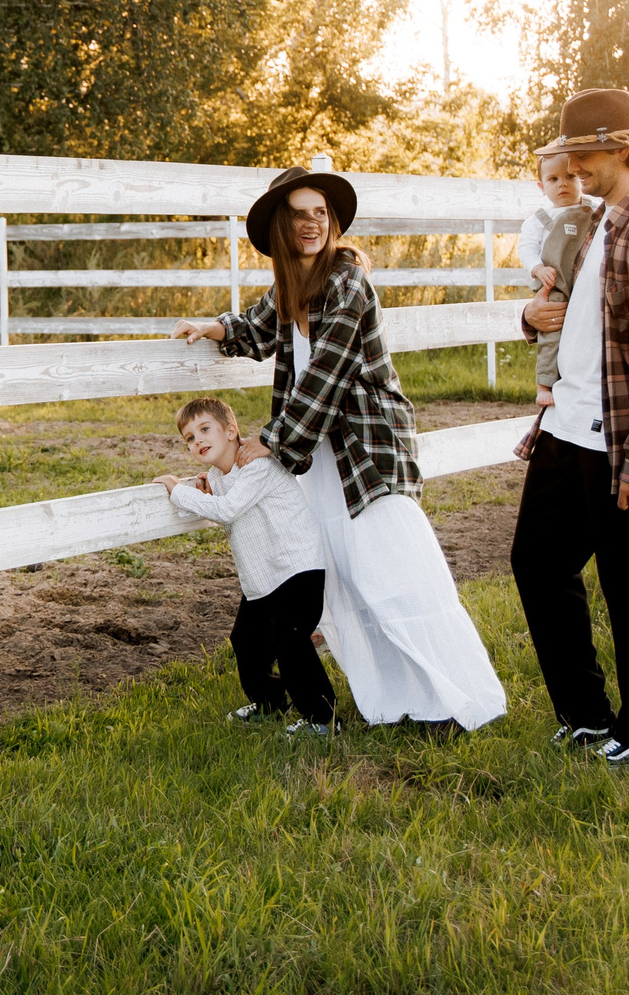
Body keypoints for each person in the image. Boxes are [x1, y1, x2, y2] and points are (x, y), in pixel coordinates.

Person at [175, 165, 509, 732]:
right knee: (348, 576)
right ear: (283, 225)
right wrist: (216, 328)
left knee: (394, 570)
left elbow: (326, 371)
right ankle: (395, 702)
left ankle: (454, 701)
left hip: (365, 451)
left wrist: (274, 440)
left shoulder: (347, 279)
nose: (311, 224)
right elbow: (258, 330)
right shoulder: (289, 286)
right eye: (299, 214)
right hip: (321, 457)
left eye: (320, 214)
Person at [510, 89, 629, 765]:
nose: (573, 165)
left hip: (618, 436)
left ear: (622, 147)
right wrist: (530, 318)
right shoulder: (598, 220)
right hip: (566, 423)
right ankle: (586, 714)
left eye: (583, 153)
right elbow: (562, 306)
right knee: (537, 561)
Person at [157, 396, 339, 732]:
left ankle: (322, 719)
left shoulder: (257, 465)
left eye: (205, 429)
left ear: (231, 432)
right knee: (246, 640)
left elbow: (228, 511)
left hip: (297, 568)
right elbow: (230, 515)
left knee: (291, 640)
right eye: (190, 438)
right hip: (263, 576)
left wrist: (177, 489)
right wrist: (209, 496)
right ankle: (270, 703)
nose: (198, 440)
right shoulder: (218, 475)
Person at [514, 149, 599, 460]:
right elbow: (525, 249)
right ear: (542, 187)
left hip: (583, 281)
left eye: (570, 177)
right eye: (553, 179)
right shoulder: (541, 218)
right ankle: (545, 383)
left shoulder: (594, 211)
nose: (563, 184)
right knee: (551, 330)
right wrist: (537, 269)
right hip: (555, 281)